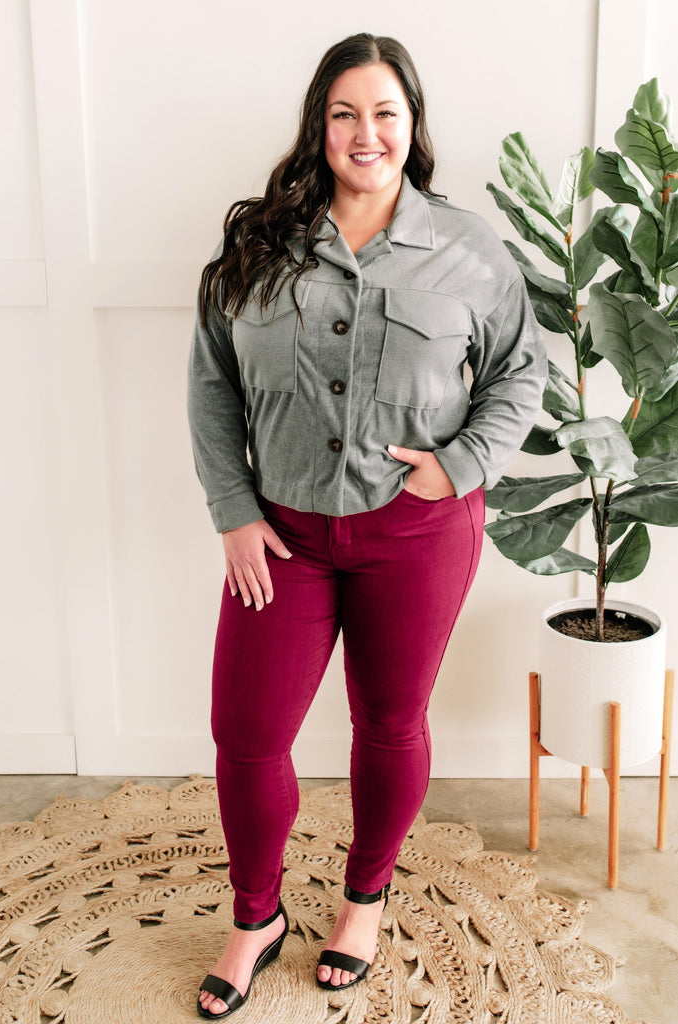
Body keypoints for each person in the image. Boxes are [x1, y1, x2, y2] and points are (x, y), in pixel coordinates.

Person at [187, 32, 547, 1019]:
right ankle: (255, 917)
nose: (365, 133)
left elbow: (521, 370)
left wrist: (459, 465)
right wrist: (232, 511)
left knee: (390, 723)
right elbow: (212, 383)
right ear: (319, 125)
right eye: (344, 113)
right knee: (246, 735)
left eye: (385, 112)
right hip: (281, 537)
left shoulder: (468, 249)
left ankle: (363, 901)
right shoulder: (258, 245)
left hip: (418, 532)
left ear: (412, 125)